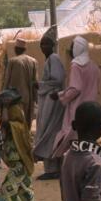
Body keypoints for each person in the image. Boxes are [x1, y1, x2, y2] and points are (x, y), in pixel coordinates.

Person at [51, 36, 99, 158]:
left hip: (79, 109)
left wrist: (60, 96)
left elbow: (75, 88)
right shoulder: (93, 66)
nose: (71, 49)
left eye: (73, 47)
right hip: (93, 108)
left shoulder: (76, 66)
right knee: (88, 137)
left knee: (72, 135)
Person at [0, 88, 37, 201]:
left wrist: (6, 106)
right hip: (17, 163)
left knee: (7, 188)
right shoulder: (14, 126)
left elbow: (6, 122)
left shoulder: (17, 125)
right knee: (25, 188)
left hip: (19, 163)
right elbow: (3, 128)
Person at [34, 25, 66, 180]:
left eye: (46, 44)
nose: (43, 47)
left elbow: (57, 80)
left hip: (53, 101)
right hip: (48, 99)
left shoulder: (54, 58)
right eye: (41, 44)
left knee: (50, 131)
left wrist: (41, 85)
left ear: (52, 45)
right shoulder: (49, 60)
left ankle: (53, 169)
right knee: (48, 130)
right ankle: (53, 167)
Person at [3, 36, 38, 128]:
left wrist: (3, 99)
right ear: (25, 49)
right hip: (28, 98)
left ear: (15, 49)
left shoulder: (12, 61)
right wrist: (36, 99)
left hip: (15, 99)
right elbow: (35, 82)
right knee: (27, 124)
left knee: (17, 125)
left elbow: (6, 81)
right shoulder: (33, 61)